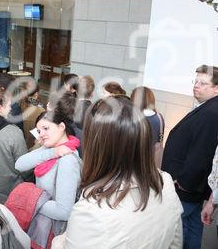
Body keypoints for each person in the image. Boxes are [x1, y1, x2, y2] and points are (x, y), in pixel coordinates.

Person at [52, 96, 183, 248]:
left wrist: (59, 241)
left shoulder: (91, 212)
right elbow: (176, 242)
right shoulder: (165, 181)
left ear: (96, 146)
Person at [162, 65, 218, 249]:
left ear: (216, 88)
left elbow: (202, 153)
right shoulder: (208, 107)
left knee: (176, 231)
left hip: (186, 187)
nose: (196, 86)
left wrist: (184, 182)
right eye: (196, 81)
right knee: (193, 227)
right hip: (191, 187)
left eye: (203, 83)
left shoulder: (211, 112)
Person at [15, 108, 81, 247]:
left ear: (62, 127)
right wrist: (53, 152)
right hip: (41, 223)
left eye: (46, 128)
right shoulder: (50, 150)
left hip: (52, 230)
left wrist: (30, 200)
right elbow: (19, 165)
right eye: (39, 131)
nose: (41, 134)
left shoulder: (67, 160)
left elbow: (64, 211)